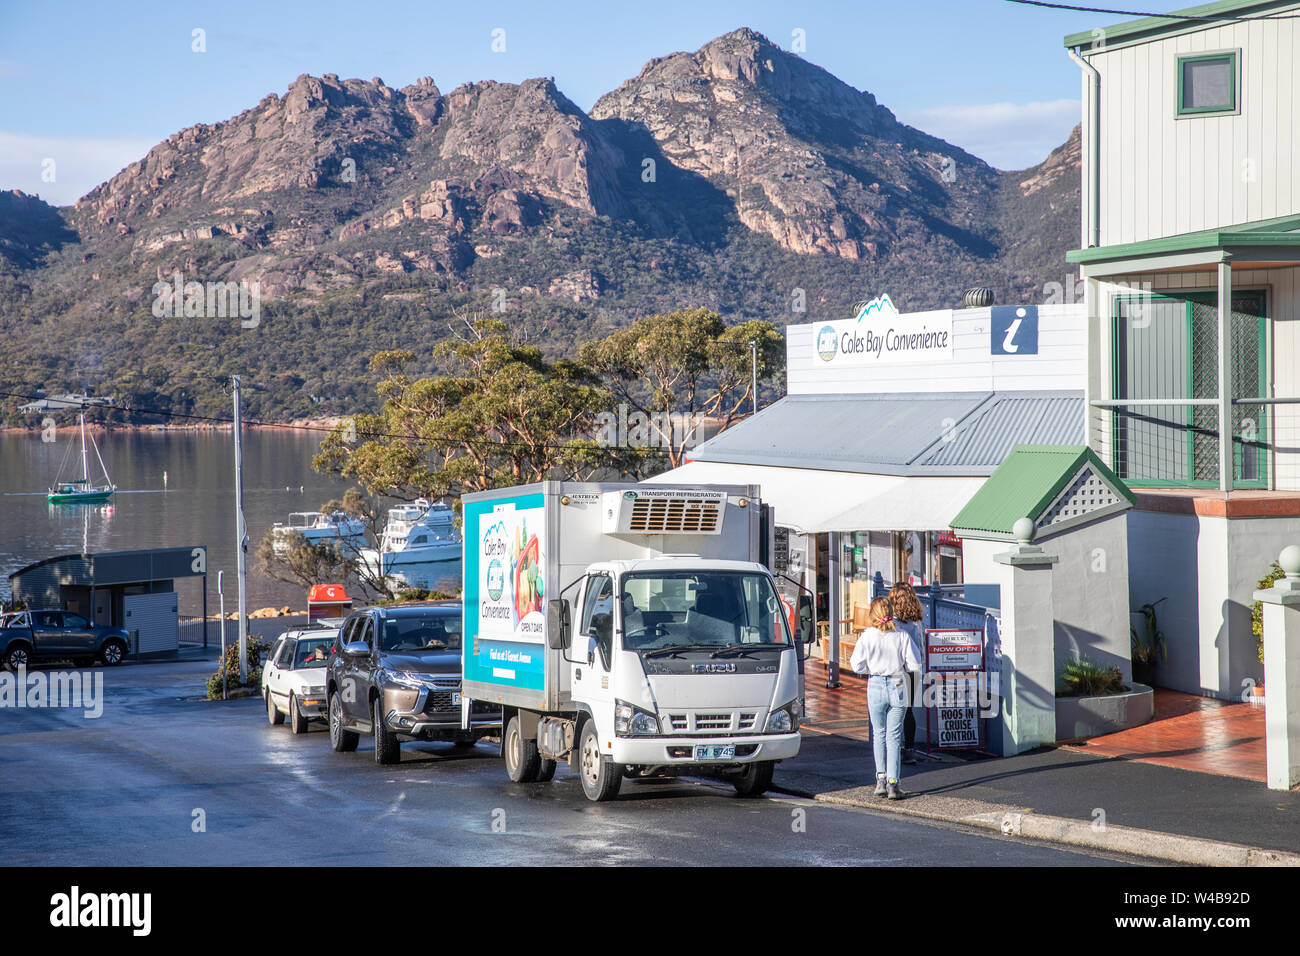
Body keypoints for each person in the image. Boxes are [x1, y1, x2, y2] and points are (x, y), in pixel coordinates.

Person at [850, 596, 921, 800]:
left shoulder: (867, 636)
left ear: (873, 615)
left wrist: (870, 669)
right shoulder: (901, 636)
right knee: (894, 736)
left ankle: (880, 779)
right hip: (898, 683)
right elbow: (915, 665)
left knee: (879, 734)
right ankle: (893, 783)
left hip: (876, 684)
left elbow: (857, 665)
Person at [889, 582, 925, 764]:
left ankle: (894, 747)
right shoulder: (916, 621)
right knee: (909, 710)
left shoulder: (893, 622)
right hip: (915, 670)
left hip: (897, 669)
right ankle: (909, 749)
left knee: (894, 710)